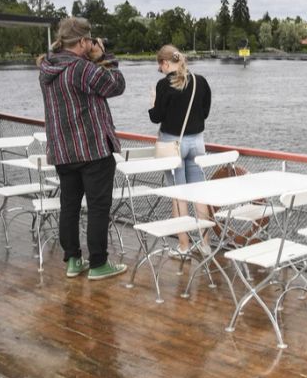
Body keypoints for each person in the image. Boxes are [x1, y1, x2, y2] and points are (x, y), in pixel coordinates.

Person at [38, 17, 128, 280]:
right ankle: (98, 264)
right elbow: (116, 85)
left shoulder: (47, 68)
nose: (92, 43)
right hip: (92, 150)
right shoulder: (81, 68)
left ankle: (73, 260)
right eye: (89, 40)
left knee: (69, 206)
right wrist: (104, 57)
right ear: (82, 42)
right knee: (98, 208)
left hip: (63, 151)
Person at [148, 45, 212, 256]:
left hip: (172, 144)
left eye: (161, 67)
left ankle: (184, 246)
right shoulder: (200, 81)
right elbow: (205, 112)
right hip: (197, 142)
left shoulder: (163, 85)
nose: (161, 71)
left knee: (179, 195)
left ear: (165, 63)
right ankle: (205, 244)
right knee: (199, 193)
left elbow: (156, 117)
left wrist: (153, 103)